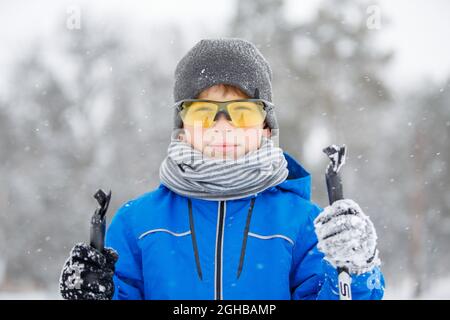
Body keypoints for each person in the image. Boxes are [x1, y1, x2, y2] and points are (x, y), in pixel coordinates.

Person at [59, 38, 384, 300]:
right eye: (203, 113)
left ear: (267, 128)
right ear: (182, 128)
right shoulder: (137, 223)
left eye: (242, 112)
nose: (223, 128)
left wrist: (353, 271)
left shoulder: (304, 224)